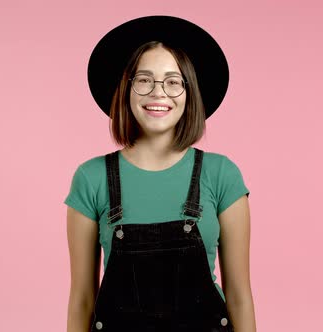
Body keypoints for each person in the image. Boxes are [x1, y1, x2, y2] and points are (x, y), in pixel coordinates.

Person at [64, 15, 256, 332]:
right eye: (144, 80)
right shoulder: (91, 178)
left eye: (172, 81)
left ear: (189, 92)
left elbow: (239, 297)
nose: (158, 93)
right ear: (126, 90)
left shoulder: (222, 175)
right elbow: (82, 299)